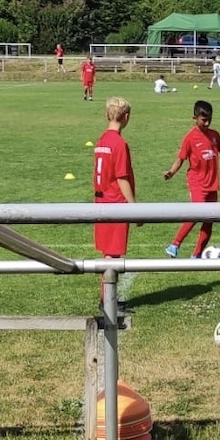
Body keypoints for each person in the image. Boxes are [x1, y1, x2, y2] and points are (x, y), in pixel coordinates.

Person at [163, 100, 220, 258]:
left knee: (209, 219)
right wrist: (171, 172)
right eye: (204, 120)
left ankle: (196, 255)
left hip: (212, 184)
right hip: (197, 183)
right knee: (197, 213)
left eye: (210, 119)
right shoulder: (190, 138)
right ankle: (175, 244)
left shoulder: (214, 135)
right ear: (194, 118)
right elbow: (180, 159)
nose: (207, 123)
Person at [93, 96, 136, 317]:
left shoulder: (102, 140)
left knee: (108, 254)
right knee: (112, 257)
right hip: (115, 203)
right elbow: (121, 178)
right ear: (126, 117)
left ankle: (107, 298)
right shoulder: (119, 144)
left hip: (101, 201)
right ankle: (107, 301)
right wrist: (134, 208)